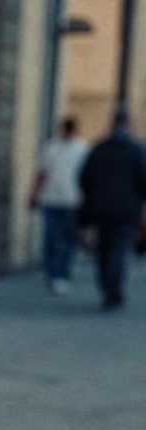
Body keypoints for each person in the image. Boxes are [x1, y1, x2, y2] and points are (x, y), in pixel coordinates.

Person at [79, 107, 146, 310]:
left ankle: (108, 288)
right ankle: (113, 289)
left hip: (101, 208)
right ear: (128, 123)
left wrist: (93, 197)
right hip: (127, 210)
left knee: (104, 250)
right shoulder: (136, 151)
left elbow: (84, 179)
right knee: (119, 250)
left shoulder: (99, 149)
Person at [29, 117, 88, 295]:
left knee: (68, 240)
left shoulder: (82, 149)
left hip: (72, 201)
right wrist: (34, 194)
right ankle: (52, 272)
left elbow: (87, 177)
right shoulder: (51, 147)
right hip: (51, 200)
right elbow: (41, 172)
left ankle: (63, 273)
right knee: (51, 238)